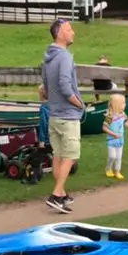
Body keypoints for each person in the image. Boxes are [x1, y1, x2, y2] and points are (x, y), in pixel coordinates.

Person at [38, 18, 84, 213]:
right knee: (71, 155)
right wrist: (79, 103)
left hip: (54, 115)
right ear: (60, 34)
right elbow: (65, 86)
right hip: (68, 116)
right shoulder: (65, 56)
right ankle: (56, 195)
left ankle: (62, 194)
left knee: (58, 155)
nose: (73, 32)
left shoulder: (47, 58)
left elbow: (44, 89)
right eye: (69, 29)